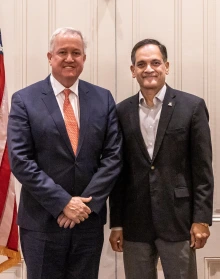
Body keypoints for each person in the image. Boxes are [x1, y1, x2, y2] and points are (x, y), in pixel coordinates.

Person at [7, 27, 122, 279]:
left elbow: (113, 157)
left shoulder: (103, 99)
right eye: (62, 52)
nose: (70, 58)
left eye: (76, 53)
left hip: (88, 222)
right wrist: (63, 202)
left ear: (84, 58)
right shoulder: (25, 100)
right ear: (50, 57)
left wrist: (83, 206)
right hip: (42, 224)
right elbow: (20, 160)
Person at [109, 38, 214, 279]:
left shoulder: (192, 107)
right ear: (132, 70)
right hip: (134, 224)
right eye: (141, 63)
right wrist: (116, 223)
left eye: (155, 62)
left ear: (166, 66)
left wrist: (201, 219)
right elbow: (118, 174)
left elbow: (203, 169)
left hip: (178, 222)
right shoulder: (120, 111)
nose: (148, 69)